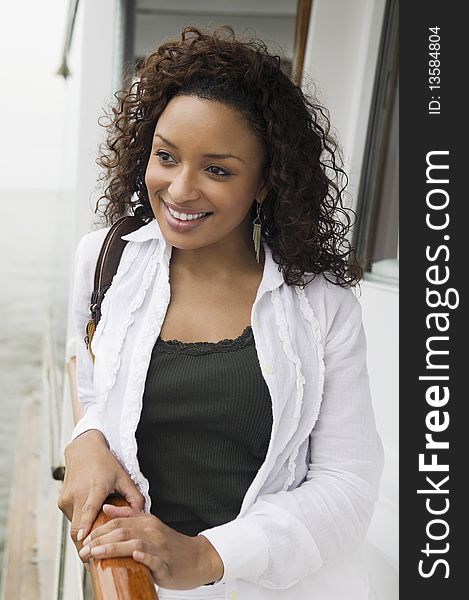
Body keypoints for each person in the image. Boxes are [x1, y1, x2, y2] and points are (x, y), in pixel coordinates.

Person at [58, 26, 384, 600]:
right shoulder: (105, 258)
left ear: (265, 182)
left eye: (218, 169)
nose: (180, 190)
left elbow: (348, 485)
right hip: (121, 582)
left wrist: (206, 555)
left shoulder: (322, 307)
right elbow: (88, 372)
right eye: (166, 156)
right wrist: (84, 440)